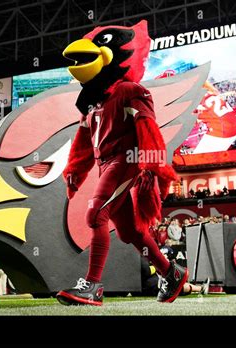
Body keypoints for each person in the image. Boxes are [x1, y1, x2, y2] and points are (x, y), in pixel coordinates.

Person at [56, 21, 188, 306]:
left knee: (95, 215)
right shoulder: (91, 101)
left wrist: (152, 168)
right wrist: (75, 172)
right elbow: (82, 143)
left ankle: (92, 285)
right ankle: (170, 272)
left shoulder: (129, 90)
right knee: (131, 232)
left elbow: (148, 129)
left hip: (124, 161)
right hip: (105, 164)